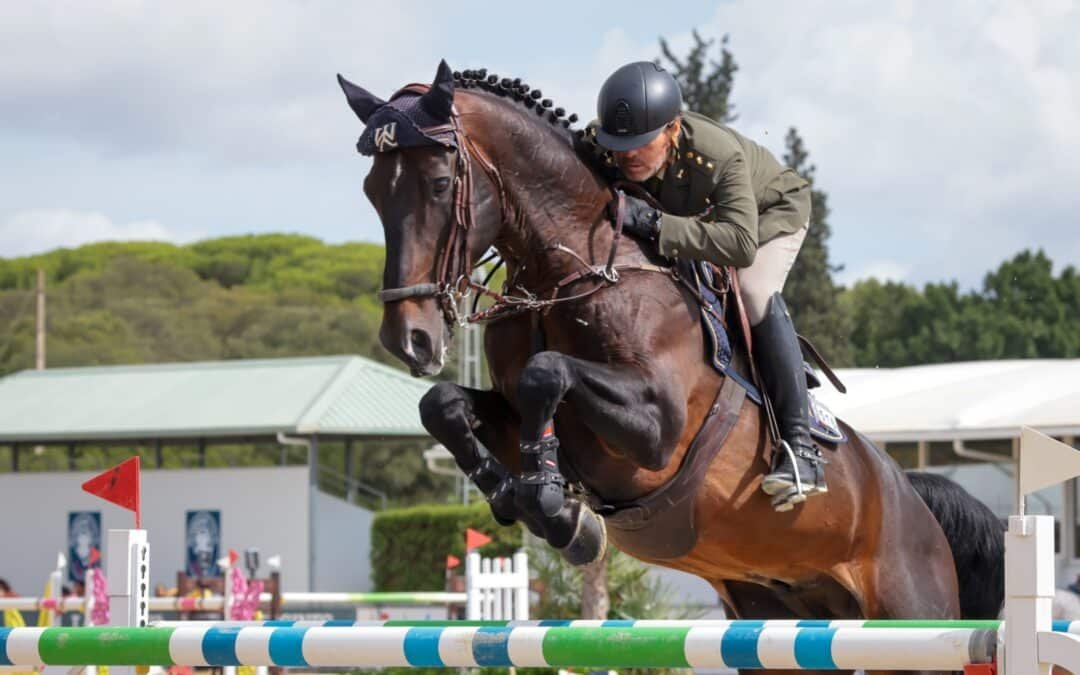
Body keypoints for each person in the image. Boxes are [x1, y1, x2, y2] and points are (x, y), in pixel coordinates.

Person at [586, 61, 823, 511]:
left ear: (673, 129)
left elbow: (739, 243)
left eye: (640, 144)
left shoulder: (716, 156)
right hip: (704, 222)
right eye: (620, 146)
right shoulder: (614, 138)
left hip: (768, 218)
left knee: (752, 291)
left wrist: (656, 224)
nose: (627, 156)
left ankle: (800, 448)